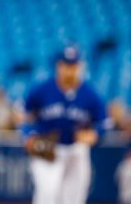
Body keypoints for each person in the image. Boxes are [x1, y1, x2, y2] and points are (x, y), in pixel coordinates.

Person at [22, 46, 109, 204]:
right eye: (66, 65)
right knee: (48, 194)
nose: (70, 70)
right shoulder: (41, 90)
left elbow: (105, 123)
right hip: (47, 146)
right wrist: (28, 135)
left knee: (74, 198)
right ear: (58, 66)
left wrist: (95, 134)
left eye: (74, 65)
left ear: (80, 66)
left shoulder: (90, 94)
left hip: (77, 149)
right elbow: (25, 116)